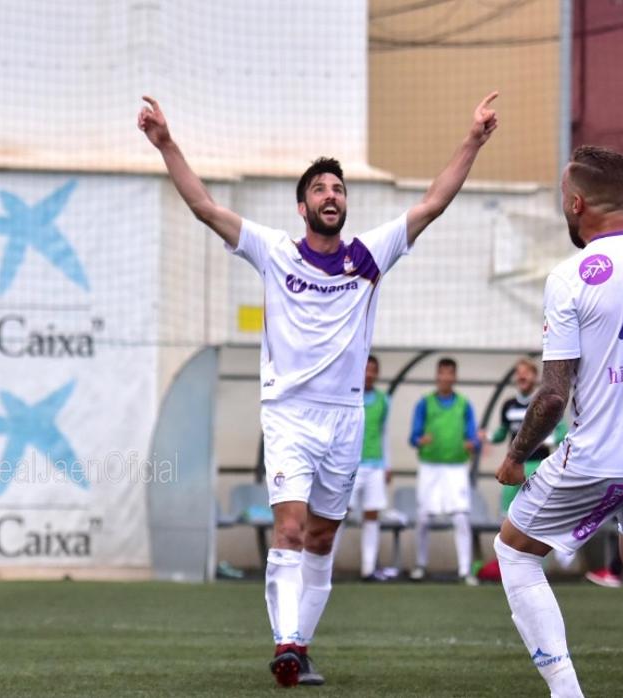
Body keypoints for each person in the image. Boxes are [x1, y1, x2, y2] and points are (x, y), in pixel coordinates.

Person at [138, 91, 498, 688]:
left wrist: (474, 140)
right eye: (321, 190)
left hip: (345, 419)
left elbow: (434, 201)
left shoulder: (369, 255)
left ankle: (300, 646)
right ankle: (284, 642)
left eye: (339, 190)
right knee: (290, 529)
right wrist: (166, 143)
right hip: (288, 416)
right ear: (302, 204)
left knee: (325, 537)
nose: (332, 196)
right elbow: (204, 205)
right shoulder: (274, 251)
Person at [495, 145, 623, 697]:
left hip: (603, 455)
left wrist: (516, 455)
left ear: (578, 203)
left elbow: (552, 398)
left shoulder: (570, 277)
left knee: (515, 550)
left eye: (565, 201)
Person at [408, 358, 482, 585]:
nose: (446, 377)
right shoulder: (424, 403)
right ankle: (420, 565)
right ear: (437, 376)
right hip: (430, 466)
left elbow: (474, 438)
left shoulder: (464, 404)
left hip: (456, 467)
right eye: (443, 373)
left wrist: (473, 444)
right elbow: (413, 437)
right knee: (423, 517)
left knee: (460, 517)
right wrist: (421, 440)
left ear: (455, 377)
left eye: (451, 373)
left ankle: (464, 569)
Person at [489, 358, 567, 514]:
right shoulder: (508, 405)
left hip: (537, 465)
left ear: (535, 376)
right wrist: (487, 437)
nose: (522, 377)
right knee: (508, 511)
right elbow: (502, 432)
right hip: (513, 464)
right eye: (519, 373)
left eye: (526, 373)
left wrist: (545, 441)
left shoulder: (545, 403)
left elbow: (562, 432)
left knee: (536, 511)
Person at [350, 355, 392, 581]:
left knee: (372, 515)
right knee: (338, 515)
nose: (369, 373)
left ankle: (368, 568)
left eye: (373, 370)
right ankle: (324, 565)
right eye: (366, 368)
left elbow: (385, 434)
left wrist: (388, 465)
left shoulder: (384, 400)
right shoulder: (348, 394)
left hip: (375, 465)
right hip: (350, 465)